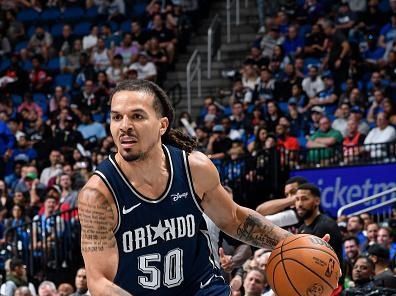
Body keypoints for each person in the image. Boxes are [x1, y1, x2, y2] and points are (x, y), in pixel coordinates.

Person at [78, 79, 296, 296]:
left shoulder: (194, 168)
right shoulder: (97, 195)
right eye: (117, 117)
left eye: (137, 116)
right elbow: (99, 282)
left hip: (203, 289)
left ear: (162, 125)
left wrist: (294, 243)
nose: (124, 126)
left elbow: (234, 219)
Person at [295, 183, 343, 263]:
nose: (299, 204)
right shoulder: (302, 228)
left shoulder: (326, 225)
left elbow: (317, 261)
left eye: (304, 199)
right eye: (297, 199)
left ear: (317, 201)